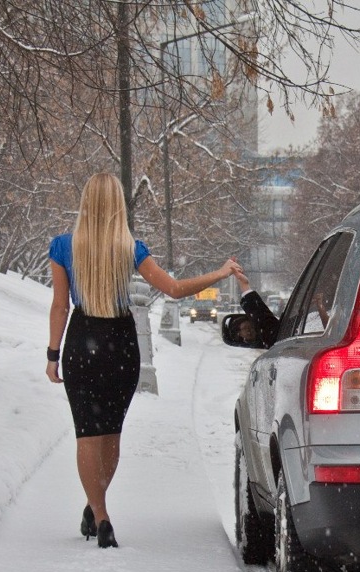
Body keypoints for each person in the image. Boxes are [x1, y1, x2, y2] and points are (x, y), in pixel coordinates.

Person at [46, 172, 243, 548]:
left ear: (86, 204)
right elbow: (173, 288)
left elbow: (59, 306)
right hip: (120, 344)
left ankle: (99, 514)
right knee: (111, 433)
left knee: (87, 433)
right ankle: (97, 507)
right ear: (118, 205)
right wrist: (219, 273)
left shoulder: (63, 247)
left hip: (82, 340)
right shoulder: (130, 248)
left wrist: (53, 355)